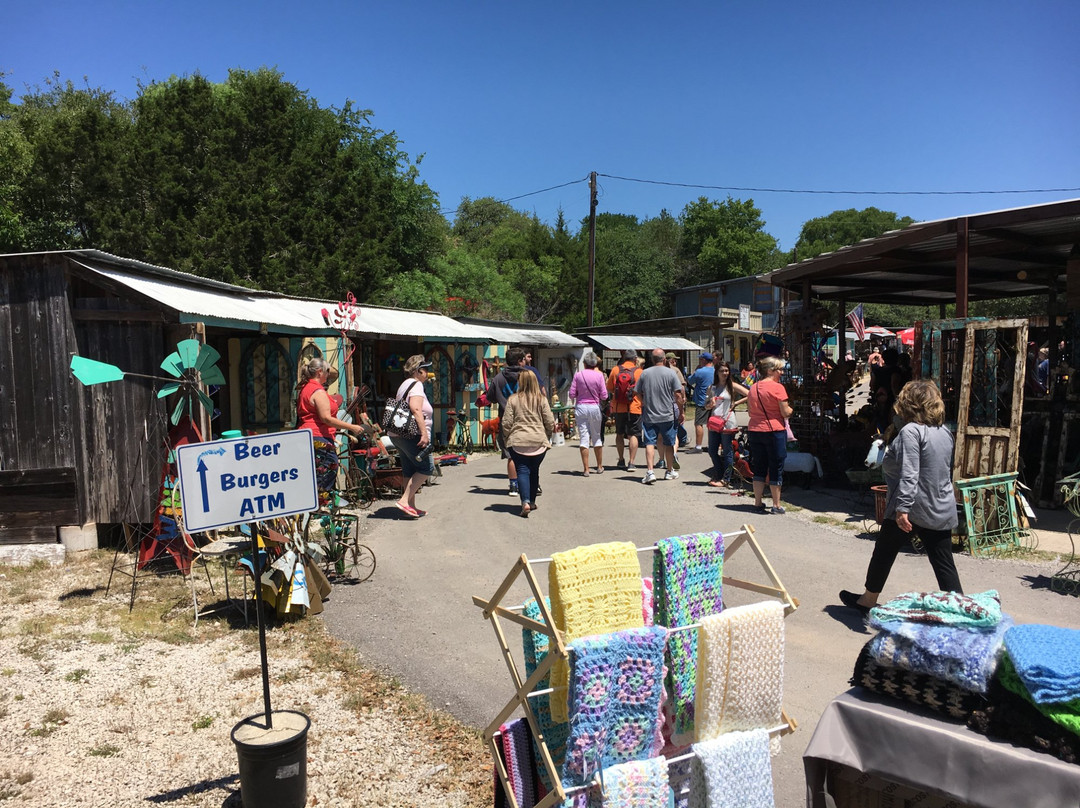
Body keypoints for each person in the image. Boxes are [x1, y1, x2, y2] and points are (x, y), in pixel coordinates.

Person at [840, 380, 962, 614]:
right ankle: (960, 610)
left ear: (910, 404)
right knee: (943, 562)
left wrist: (903, 508)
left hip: (912, 505)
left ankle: (868, 600)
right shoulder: (945, 432)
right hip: (940, 505)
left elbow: (910, 473)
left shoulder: (910, 432)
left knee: (884, 553)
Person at [295, 358, 365, 498]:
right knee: (326, 470)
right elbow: (326, 418)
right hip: (318, 436)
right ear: (320, 372)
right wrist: (352, 427)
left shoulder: (306, 388)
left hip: (308, 434)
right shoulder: (317, 391)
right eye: (327, 372)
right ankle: (319, 509)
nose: (328, 375)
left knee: (316, 472)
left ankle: (315, 506)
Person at [386, 354, 435, 518]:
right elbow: (415, 409)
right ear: (417, 371)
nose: (427, 373)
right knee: (426, 468)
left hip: (398, 434)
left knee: (409, 469)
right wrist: (424, 433)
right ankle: (405, 501)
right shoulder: (416, 385)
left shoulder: (405, 384)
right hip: (411, 434)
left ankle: (410, 506)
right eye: (425, 369)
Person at [502, 370, 555, 517]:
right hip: (538, 442)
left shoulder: (513, 399)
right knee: (534, 471)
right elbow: (550, 421)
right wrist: (547, 435)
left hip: (518, 441)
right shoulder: (541, 399)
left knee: (522, 470)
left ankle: (524, 502)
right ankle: (531, 501)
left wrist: (507, 437)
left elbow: (506, 422)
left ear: (520, 382)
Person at [746, 355, 793, 514]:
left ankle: (758, 502)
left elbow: (750, 411)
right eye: (779, 369)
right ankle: (776, 505)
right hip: (774, 431)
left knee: (759, 466)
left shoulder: (754, 387)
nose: (781, 372)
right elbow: (785, 412)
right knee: (776, 467)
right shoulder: (778, 388)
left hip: (754, 430)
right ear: (771, 370)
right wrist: (791, 410)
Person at [637, 349, 685, 485]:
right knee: (669, 443)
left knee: (649, 442)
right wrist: (680, 411)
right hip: (667, 414)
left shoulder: (645, 373)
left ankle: (650, 471)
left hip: (649, 415)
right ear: (664, 359)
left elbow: (637, 392)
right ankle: (669, 471)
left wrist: (644, 402)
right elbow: (678, 395)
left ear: (652, 360)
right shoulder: (671, 373)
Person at [485, 347, 528, 496]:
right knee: (528, 452)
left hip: (506, 418)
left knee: (511, 454)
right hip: (526, 418)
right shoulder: (527, 376)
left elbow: (489, 397)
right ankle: (531, 484)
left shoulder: (498, 378)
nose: (525, 362)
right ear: (519, 361)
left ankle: (513, 486)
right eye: (523, 360)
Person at [705, 360, 749, 488]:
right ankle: (719, 474)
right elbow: (706, 405)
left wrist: (736, 403)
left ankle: (726, 478)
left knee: (727, 451)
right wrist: (710, 404)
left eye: (726, 370)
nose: (725, 373)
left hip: (728, 422)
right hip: (714, 421)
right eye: (722, 371)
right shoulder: (712, 387)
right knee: (712, 451)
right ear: (716, 373)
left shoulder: (732, 385)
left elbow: (749, 393)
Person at [568, 351, 608, 475]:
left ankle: (586, 469)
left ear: (584, 364)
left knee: (584, 438)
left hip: (581, 407)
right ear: (595, 363)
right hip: (594, 407)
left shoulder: (578, 375)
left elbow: (572, 394)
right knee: (596, 436)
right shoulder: (599, 376)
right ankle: (599, 466)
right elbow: (604, 395)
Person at [606, 349, 643, 470]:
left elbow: (610, 388)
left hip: (618, 407)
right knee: (633, 435)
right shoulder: (639, 372)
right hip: (634, 408)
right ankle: (631, 462)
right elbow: (643, 390)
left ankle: (621, 459)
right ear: (635, 359)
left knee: (620, 434)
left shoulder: (616, 370)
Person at [686, 352, 716, 453]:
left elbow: (690, 381)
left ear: (704, 360)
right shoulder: (715, 371)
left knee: (699, 423)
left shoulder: (700, 372)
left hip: (702, 400)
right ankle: (714, 445)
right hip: (714, 400)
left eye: (701, 359)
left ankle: (698, 446)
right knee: (713, 424)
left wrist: (695, 370)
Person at [665, 353, 690, 449]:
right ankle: (682, 439)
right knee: (678, 420)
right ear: (670, 360)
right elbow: (682, 386)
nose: (675, 362)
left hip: (662, 401)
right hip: (675, 400)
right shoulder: (675, 370)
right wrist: (683, 398)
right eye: (674, 360)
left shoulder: (656, 370)